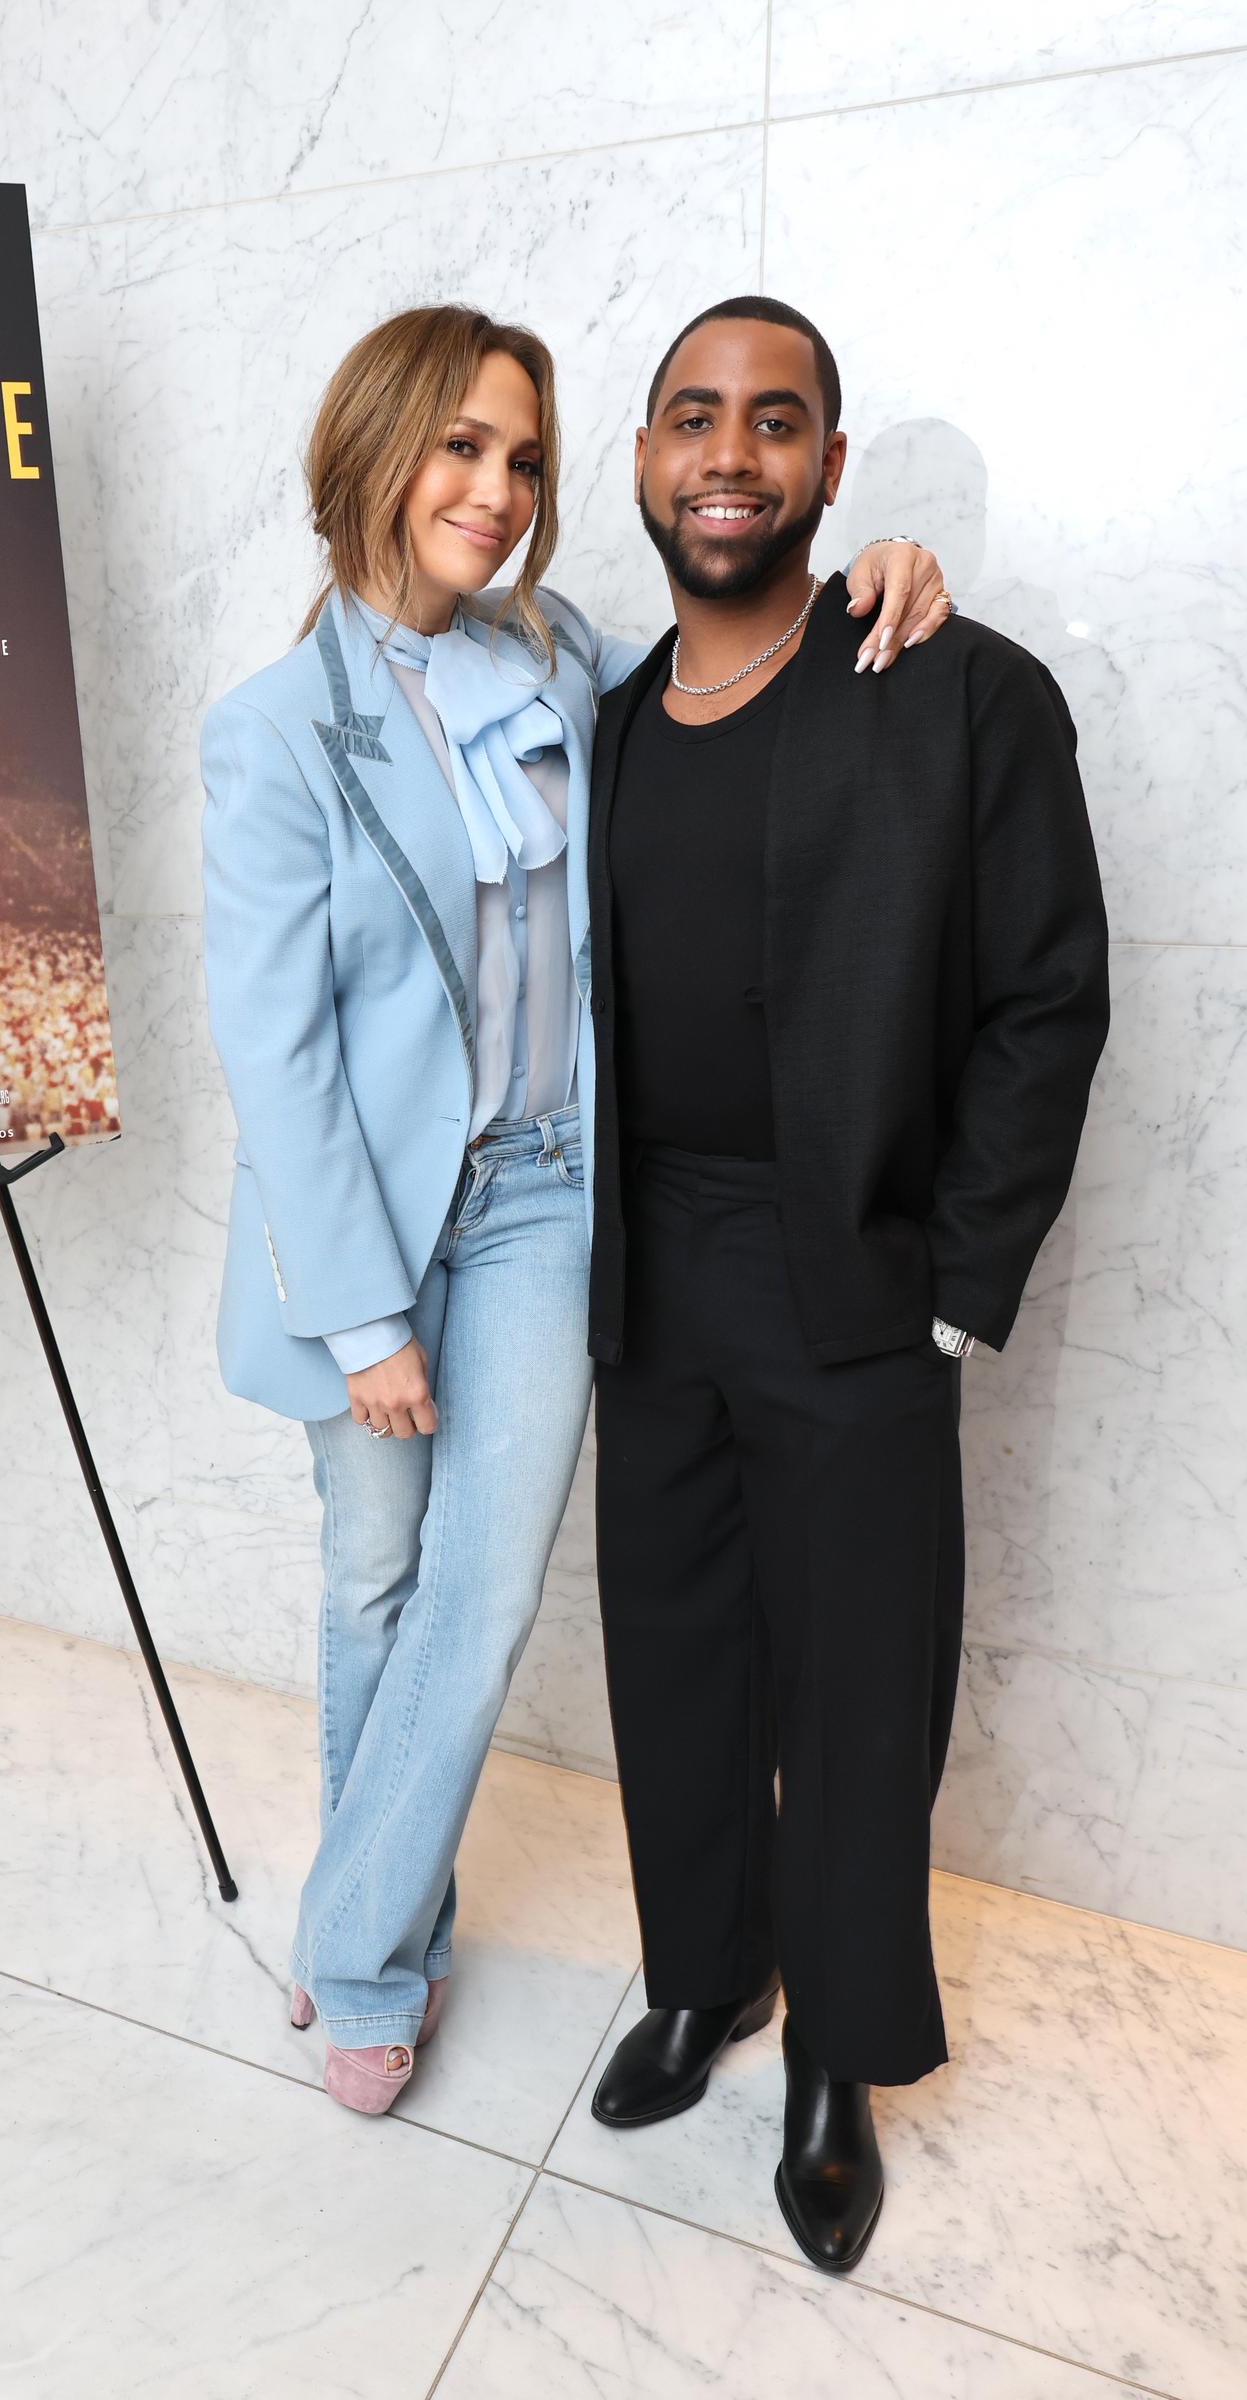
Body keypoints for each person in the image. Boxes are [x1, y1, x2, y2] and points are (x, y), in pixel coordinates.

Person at [200, 303, 952, 2116]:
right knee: (373, 1578)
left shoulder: (555, 658)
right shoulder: (275, 730)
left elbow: (740, 637)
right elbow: (276, 1052)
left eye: (524, 457)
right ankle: (399, 1924)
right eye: (461, 445)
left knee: (475, 1587)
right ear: (373, 448)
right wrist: (367, 1322)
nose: (496, 489)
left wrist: (883, 573)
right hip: (368, 1221)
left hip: (550, 1198)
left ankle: (354, 1946)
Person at [584, 296, 1108, 2271]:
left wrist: (956, 1284)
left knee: (855, 1692)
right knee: (678, 1655)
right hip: (645, 1269)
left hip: (856, 1276)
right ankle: (700, 1980)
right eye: (687, 418)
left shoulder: (948, 688)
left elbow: (1045, 999)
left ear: (822, 464)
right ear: (637, 459)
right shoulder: (603, 710)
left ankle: (832, 2058)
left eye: (771, 422)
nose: (726, 452)